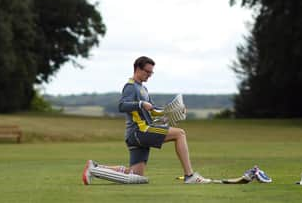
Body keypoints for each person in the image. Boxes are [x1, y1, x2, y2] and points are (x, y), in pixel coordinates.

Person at [82, 56, 211, 184]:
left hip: (137, 135)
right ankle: (190, 175)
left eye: (151, 72)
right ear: (138, 68)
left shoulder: (143, 88)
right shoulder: (130, 86)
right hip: (139, 131)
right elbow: (122, 106)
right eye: (147, 72)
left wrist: (172, 112)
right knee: (180, 133)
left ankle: (95, 168)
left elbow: (153, 110)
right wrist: (141, 104)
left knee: (136, 175)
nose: (149, 75)